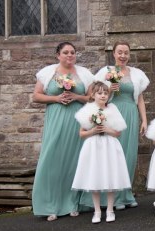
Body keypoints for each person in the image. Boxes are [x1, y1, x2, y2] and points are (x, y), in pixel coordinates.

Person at [32, 42, 95, 221]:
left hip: (77, 121)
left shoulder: (84, 74)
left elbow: (91, 98)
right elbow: (36, 96)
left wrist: (77, 96)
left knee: (75, 161)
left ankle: (73, 203)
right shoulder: (47, 73)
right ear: (58, 55)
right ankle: (50, 205)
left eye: (72, 53)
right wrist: (56, 98)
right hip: (56, 120)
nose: (69, 55)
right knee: (52, 160)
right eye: (65, 52)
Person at [92, 41, 150, 210]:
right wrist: (110, 89)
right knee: (111, 154)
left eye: (126, 53)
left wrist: (144, 120)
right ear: (114, 54)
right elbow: (94, 95)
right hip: (111, 114)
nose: (123, 56)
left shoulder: (137, 74)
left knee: (128, 154)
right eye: (120, 52)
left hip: (130, 115)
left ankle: (125, 194)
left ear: (129, 55)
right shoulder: (105, 72)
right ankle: (111, 197)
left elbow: (139, 98)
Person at [72, 81, 131, 223]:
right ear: (93, 94)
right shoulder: (87, 110)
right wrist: (93, 131)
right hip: (93, 145)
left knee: (111, 175)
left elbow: (117, 133)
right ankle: (97, 211)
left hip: (110, 144)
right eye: (99, 93)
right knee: (94, 175)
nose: (103, 95)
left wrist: (106, 129)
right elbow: (81, 134)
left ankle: (110, 210)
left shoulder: (112, 109)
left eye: (105, 93)